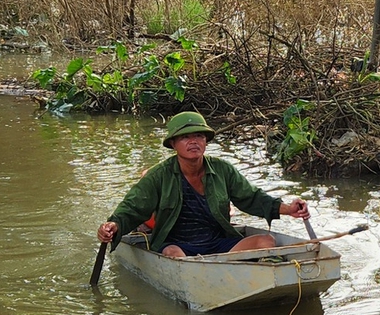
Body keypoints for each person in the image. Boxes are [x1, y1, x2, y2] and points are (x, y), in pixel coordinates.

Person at [98, 111, 312, 258]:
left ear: (205, 141)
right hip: (177, 244)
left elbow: (251, 197)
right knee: (173, 255)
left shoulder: (222, 170)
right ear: (173, 144)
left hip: (218, 243)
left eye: (199, 136)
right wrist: (113, 226)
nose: (194, 142)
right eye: (185, 137)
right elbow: (132, 208)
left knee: (266, 241)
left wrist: (288, 209)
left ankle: (222, 267)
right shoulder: (158, 176)